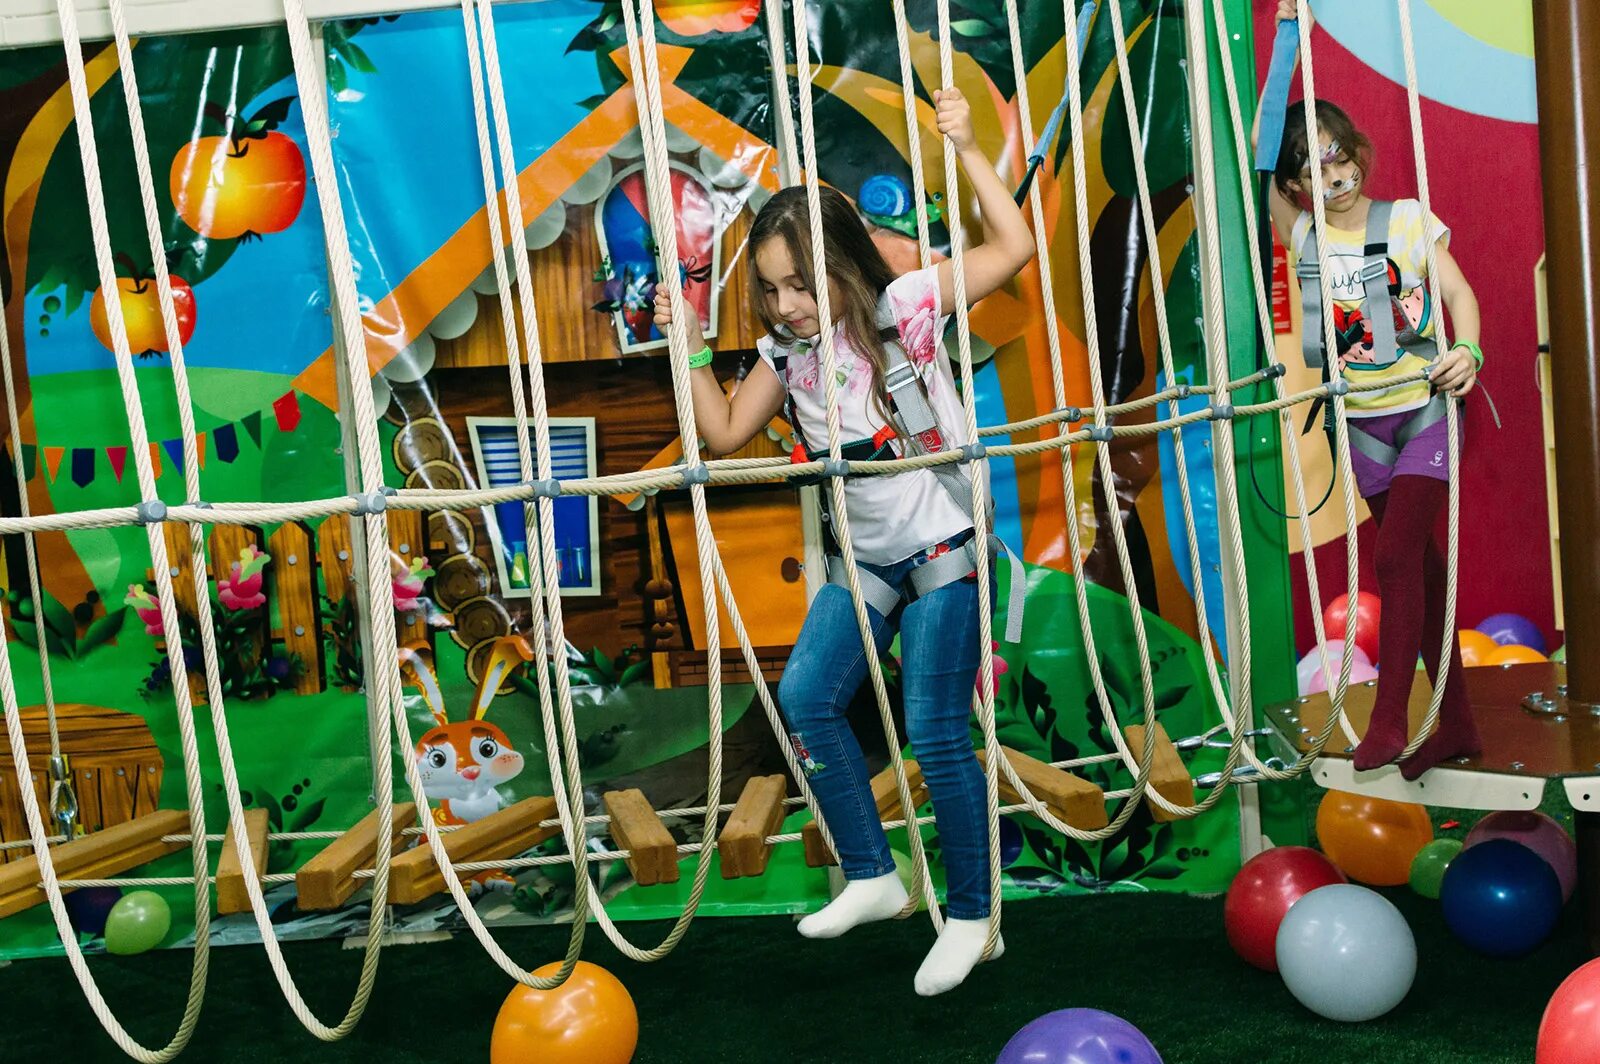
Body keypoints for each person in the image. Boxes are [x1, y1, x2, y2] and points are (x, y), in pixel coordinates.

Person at [653, 86, 1034, 995]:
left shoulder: (906, 304)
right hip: (866, 559)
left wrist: (972, 148)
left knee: (936, 730)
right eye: (773, 290)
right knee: (807, 697)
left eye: (800, 284)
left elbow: (1014, 249)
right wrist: (690, 349)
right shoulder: (787, 358)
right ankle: (874, 875)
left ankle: (975, 918)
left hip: (940, 543)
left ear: (843, 265)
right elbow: (723, 433)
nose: (786, 305)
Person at [1258, 0, 1481, 779]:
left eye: (1339, 153)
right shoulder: (1305, 237)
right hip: (1361, 424)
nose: (1334, 172)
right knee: (1417, 566)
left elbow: (1458, 294)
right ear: (1295, 184)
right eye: (1312, 167)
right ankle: (1455, 721)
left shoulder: (1410, 219)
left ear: (1358, 151)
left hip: (1423, 407)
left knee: (1391, 564)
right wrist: (1291, 44)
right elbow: (1259, 154)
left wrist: (1469, 351)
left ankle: (1390, 717)